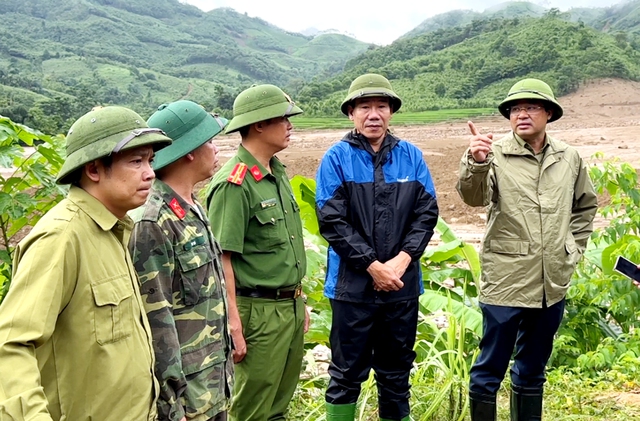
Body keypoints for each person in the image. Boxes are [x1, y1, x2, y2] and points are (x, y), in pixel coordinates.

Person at [0, 106, 172, 420]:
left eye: (150, 160)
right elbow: (10, 344)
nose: (150, 173)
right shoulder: (62, 238)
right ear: (94, 170)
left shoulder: (114, 230)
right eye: (136, 161)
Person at [456, 78, 598, 421]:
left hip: (551, 284)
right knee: (489, 370)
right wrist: (477, 161)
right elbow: (474, 197)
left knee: (533, 368)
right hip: (506, 281)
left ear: (548, 113)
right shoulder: (493, 154)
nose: (522, 114)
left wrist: (573, 250)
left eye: (531, 107)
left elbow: (584, 207)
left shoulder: (569, 157)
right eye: (515, 109)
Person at [315, 73, 439, 421]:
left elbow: (426, 213)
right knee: (346, 373)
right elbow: (332, 221)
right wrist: (372, 265)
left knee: (396, 371)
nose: (374, 114)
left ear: (391, 112)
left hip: (401, 285)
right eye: (365, 107)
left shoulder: (410, 156)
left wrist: (401, 261)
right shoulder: (336, 158)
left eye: (381, 106)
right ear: (351, 113)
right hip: (351, 287)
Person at [204, 84, 309, 421]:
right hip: (257, 312)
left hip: (288, 307)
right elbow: (223, 259)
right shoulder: (234, 184)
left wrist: (300, 299)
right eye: (283, 119)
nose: (290, 126)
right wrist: (233, 322)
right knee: (252, 407)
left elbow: (285, 249)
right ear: (259, 125)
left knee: (278, 402)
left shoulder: (276, 174)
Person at [128, 100, 233, 421]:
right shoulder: (153, 222)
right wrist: (172, 404)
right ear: (190, 150)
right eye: (210, 141)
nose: (216, 149)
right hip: (187, 398)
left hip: (212, 383)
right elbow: (155, 318)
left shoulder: (191, 206)